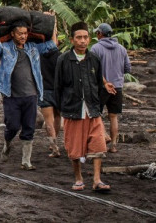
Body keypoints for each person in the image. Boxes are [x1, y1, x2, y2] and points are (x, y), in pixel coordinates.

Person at [0, 10, 58, 170]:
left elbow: (53, 44)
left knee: (29, 127)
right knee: (13, 126)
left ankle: (26, 161)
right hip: (11, 96)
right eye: (20, 33)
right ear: (13, 34)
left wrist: (53, 22)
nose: (23, 36)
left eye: (25, 33)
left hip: (31, 96)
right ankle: (7, 143)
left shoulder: (33, 48)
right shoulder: (6, 49)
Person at [54, 21, 111, 193]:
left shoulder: (94, 59)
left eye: (85, 37)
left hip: (93, 110)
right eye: (79, 38)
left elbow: (99, 85)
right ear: (72, 40)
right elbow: (58, 87)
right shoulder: (63, 60)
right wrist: (62, 109)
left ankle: (97, 180)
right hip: (73, 110)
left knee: (98, 144)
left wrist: (99, 107)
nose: (82, 41)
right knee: (74, 147)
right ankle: (78, 178)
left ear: (89, 39)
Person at [92, 22, 130, 153]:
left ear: (100, 34)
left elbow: (93, 68)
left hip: (102, 86)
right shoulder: (121, 49)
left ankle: (104, 135)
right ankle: (114, 145)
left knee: (95, 113)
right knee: (113, 117)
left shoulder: (96, 48)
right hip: (118, 86)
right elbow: (127, 68)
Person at [39, 47, 62, 157]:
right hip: (58, 90)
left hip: (45, 89)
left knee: (48, 120)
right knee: (58, 116)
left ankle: (54, 147)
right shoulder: (60, 55)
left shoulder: (38, 55)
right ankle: (55, 141)